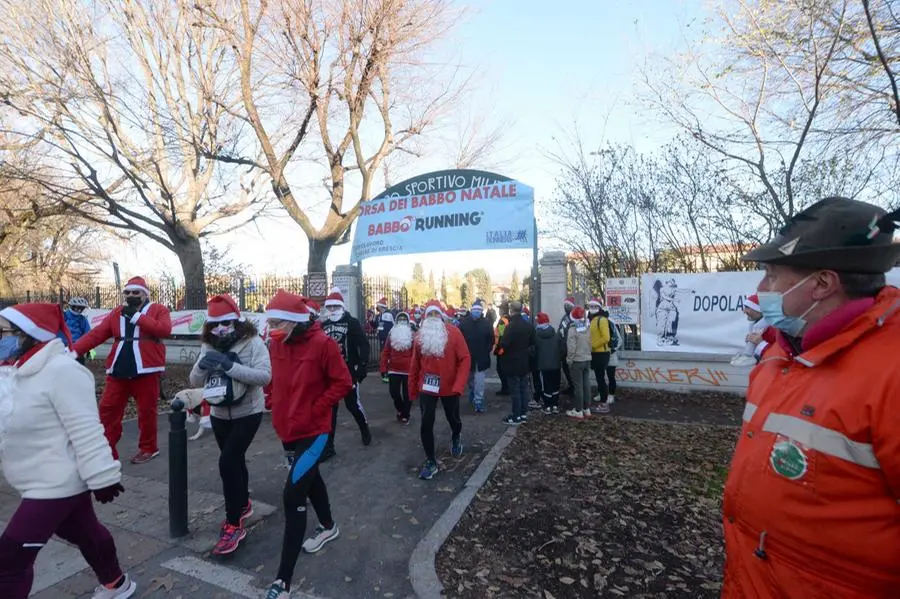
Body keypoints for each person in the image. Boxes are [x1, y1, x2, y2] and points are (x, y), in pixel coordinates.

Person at [721, 197, 900, 599]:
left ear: (822, 283)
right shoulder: (780, 354)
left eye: (771, 274)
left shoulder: (892, 372)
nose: (761, 289)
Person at [0, 303, 136, 599]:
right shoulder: (13, 372)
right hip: (34, 478)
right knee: (83, 533)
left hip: (55, 484)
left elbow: (86, 428)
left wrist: (103, 476)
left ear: (28, 335)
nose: (0, 339)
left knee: (9, 561)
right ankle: (116, 584)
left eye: (3, 332)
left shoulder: (62, 372)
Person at [262, 291, 353, 599]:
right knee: (311, 479)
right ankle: (328, 525)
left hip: (315, 431)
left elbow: (342, 383)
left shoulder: (323, 344)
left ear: (294, 321)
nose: (271, 328)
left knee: (292, 494)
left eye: (277, 322)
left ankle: (282, 582)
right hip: (287, 430)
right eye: (270, 321)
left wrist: (317, 407)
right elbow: (274, 380)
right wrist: (273, 401)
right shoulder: (276, 344)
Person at [189, 294, 271, 556]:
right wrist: (203, 365)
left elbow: (264, 377)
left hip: (248, 412)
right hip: (219, 414)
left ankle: (233, 524)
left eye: (225, 323)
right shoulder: (208, 345)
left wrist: (229, 367)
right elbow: (194, 380)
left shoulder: (253, 342)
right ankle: (243, 504)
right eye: (214, 325)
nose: (220, 329)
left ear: (236, 321)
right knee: (234, 461)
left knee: (227, 462)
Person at [73, 276, 172, 464]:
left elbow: (164, 330)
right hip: (118, 368)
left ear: (145, 294)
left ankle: (148, 448)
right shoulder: (117, 312)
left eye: (136, 292)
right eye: (127, 292)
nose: (131, 295)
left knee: (147, 411)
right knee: (107, 410)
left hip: (147, 369)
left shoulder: (158, 309)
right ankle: (105, 450)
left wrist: (136, 317)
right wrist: (73, 350)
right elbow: (97, 334)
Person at [408, 300, 470, 480]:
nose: (433, 318)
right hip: (427, 387)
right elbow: (415, 364)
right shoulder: (420, 336)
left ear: (442, 316)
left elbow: (465, 358)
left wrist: (459, 385)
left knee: (453, 418)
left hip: (450, 387)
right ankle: (430, 460)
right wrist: (412, 389)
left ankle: (456, 435)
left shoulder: (454, 333)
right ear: (425, 318)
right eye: (430, 315)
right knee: (426, 422)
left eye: (436, 314)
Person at [320, 287, 372, 459]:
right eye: (330, 307)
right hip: (329, 374)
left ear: (342, 306)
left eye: (336, 306)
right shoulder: (323, 325)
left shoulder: (352, 322)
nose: (333, 310)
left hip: (348, 371)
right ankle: (329, 447)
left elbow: (364, 344)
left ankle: (364, 428)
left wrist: (363, 364)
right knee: (330, 409)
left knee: (352, 405)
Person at [499, 301, 535, 425]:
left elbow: (504, 344)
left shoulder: (511, 326)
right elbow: (533, 342)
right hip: (524, 361)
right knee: (523, 389)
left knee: (515, 390)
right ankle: (523, 413)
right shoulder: (528, 325)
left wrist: (500, 351)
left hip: (512, 362)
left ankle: (516, 415)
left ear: (511, 310)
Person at [458, 301, 493, 413]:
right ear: (471, 310)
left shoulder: (486, 323)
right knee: (469, 378)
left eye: (478, 310)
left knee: (479, 379)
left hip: (481, 356)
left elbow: (491, 339)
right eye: (475, 310)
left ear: (481, 311)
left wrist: (487, 349)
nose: (476, 312)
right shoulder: (464, 322)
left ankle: (478, 400)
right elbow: (459, 338)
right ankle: (473, 391)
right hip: (467, 356)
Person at [379, 311, 414, 424]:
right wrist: (383, 368)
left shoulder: (412, 335)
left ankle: (405, 415)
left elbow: (416, 354)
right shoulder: (391, 334)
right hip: (394, 369)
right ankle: (401, 409)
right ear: (396, 321)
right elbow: (386, 352)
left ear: (408, 321)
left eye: (404, 319)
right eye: (400, 319)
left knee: (407, 394)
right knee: (394, 392)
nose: (402, 321)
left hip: (408, 370)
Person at [730, 294, 774, 366]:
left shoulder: (775, 328)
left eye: (747, 307)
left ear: (758, 309)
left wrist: (760, 344)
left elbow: (780, 357)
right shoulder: (757, 327)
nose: (744, 311)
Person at [565, 307, 592, 420]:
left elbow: (571, 347)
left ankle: (578, 410)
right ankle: (586, 408)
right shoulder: (587, 327)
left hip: (576, 360)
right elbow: (590, 343)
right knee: (586, 385)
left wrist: (569, 360)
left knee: (578, 386)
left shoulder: (572, 329)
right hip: (587, 359)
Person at [534, 312, 562, 414]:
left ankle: (547, 406)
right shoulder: (555, 334)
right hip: (556, 365)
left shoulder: (537, 335)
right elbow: (561, 349)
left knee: (546, 386)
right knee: (555, 386)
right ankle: (555, 405)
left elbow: (534, 350)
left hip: (543, 365)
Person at [587, 298, 611, 414]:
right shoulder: (592, 319)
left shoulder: (601, 320)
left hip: (601, 353)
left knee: (601, 379)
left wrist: (593, 346)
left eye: (594, 306)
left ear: (599, 307)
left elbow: (606, 338)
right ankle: (603, 402)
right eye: (590, 306)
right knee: (599, 378)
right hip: (596, 353)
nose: (592, 308)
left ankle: (604, 404)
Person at [65, 297, 92, 363]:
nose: (79, 310)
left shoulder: (82, 319)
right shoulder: (63, 316)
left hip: (77, 346)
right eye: (77, 308)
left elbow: (88, 334)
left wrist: (90, 349)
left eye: (81, 308)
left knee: (79, 365)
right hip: (63, 345)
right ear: (72, 307)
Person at [558, 297, 576, 395]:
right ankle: (571, 386)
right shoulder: (565, 317)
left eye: (568, 305)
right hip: (563, 348)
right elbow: (560, 330)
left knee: (571, 370)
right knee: (565, 369)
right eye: (565, 305)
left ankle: (574, 388)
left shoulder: (574, 318)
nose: (566, 307)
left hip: (570, 348)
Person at [604, 311, 623, 404]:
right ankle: (602, 393)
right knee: (600, 376)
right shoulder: (595, 323)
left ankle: (611, 395)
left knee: (611, 376)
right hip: (600, 355)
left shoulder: (611, 325)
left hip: (611, 355)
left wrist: (612, 350)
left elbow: (619, 340)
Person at [493, 304, 510, 395]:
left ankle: (505, 388)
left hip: (502, 349)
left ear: (503, 310)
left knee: (500, 369)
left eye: (500, 309)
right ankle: (506, 388)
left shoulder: (503, 321)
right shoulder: (508, 319)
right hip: (504, 348)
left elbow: (502, 335)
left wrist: (498, 350)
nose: (498, 311)